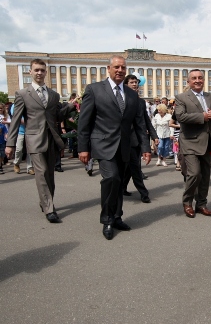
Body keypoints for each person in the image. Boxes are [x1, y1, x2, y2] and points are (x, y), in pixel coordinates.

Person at [78, 55, 151, 240]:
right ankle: (107, 219)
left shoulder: (132, 94)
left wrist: (145, 147)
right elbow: (84, 121)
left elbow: (140, 124)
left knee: (118, 183)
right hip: (102, 144)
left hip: (124, 146)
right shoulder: (94, 90)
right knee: (111, 178)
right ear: (108, 68)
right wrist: (82, 148)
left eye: (123, 68)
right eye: (117, 67)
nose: (120, 70)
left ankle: (117, 216)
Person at [5, 59, 76, 222]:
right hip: (34, 139)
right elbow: (15, 120)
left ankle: (44, 202)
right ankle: (49, 209)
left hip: (51, 139)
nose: (39, 73)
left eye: (42, 70)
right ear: (30, 72)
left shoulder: (53, 95)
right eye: (36, 70)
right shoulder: (23, 94)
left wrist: (71, 106)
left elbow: (57, 117)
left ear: (46, 72)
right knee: (42, 172)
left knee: (50, 175)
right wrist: (11, 144)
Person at [175, 69, 211, 218]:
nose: (197, 80)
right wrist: (203, 116)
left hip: (207, 141)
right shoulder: (182, 97)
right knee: (194, 173)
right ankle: (187, 203)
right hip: (189, 141)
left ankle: (201, 204)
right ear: (189, 82)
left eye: (200, 77)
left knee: (205, 175)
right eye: (194, 78)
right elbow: (180, 117)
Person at [122, 73, 157, 203]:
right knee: (132, 167)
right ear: (125, 85)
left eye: (136, 82)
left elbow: (146, 121)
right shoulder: (121, 99)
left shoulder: (141, 102)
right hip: (123, 139)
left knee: (133, 166)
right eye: (132, 82)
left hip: (137, 139)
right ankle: (143, 192)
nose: (135, 84)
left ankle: (127, 189)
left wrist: (154, 136)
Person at [9, 103, 35, 175]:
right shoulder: (15, 105)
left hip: (30, 131)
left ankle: (30, 167)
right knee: (19, 149)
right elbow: (16, 117)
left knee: (30, 150)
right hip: (20, 131)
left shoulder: (31, 102)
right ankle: (16, 163)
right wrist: (28, 122)